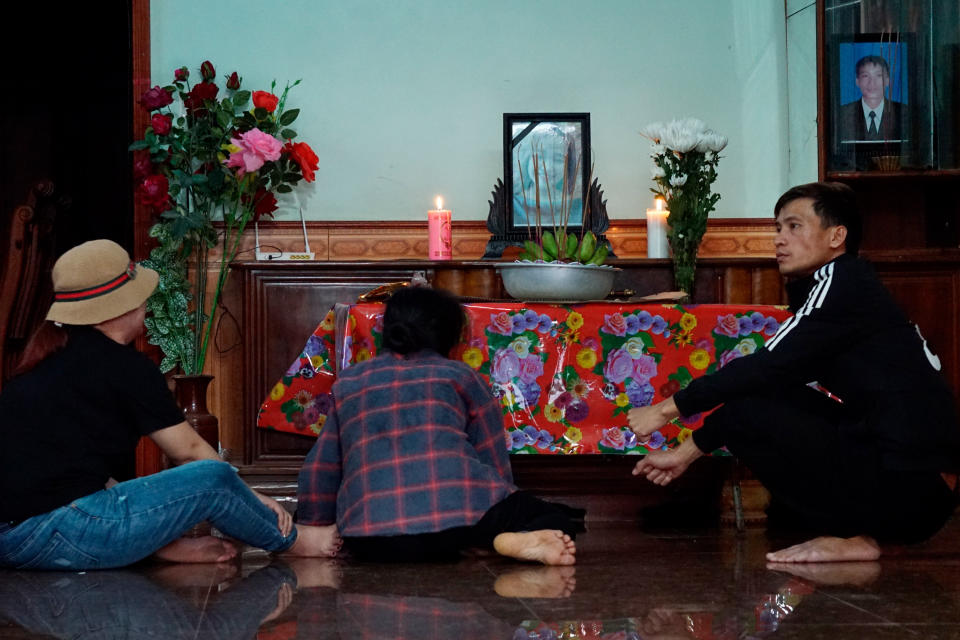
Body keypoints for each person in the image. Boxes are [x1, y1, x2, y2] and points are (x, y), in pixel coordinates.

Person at [627, 182, 960, 563]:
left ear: (837, 236)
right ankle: (863, 531)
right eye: (777, 228)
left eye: (794, 227)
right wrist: (684, 455)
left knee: (756, 401)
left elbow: (767, 366)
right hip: (917, 487)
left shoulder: (841, 283)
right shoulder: (843, 284)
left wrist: (668, 408)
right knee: (757, 400)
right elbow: (769, 381)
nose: (779, 240)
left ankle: (863, 537)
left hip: (913, 490)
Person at [0, 239, 341, 570]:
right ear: (122, 307)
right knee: (213, 476)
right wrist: (253, 498)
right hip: (60, 533)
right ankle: (296, 543)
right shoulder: (125, 367)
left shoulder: (43, 361)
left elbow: (76, 476)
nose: (145, 308)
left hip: (12, 540)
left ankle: (161, 549)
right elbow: (190, 452)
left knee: (122, 490)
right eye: (142, 299)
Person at [296, 286, 579, 565]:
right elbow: (492, 460)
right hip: (456, 525)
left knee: (392, 535)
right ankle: (497, 541)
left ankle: (485, 541)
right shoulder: (460, 376)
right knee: (556, 519)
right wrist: (501, 509)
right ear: (449, 335)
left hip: (368, 536)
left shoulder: (350, 382)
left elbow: (321, 467)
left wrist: (314, 525)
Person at [838, 55, 903, 142]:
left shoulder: (903, 113)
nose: (872, 83)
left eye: (879, 75)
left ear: (887, 80)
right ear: (857, 81)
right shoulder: (843, 114)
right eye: (866, 76)